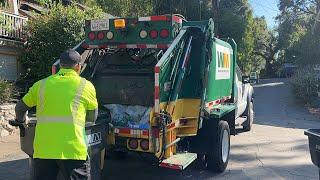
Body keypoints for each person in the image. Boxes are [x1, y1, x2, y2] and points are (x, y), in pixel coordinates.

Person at [15, 49, 98, 180]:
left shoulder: (41, 85)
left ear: (60, 65)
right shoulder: (86, 86)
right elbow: (92, 118)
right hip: (73, 151)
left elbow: (20, 107)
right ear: (78, 67)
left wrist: (21, 120)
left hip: (44, 151)